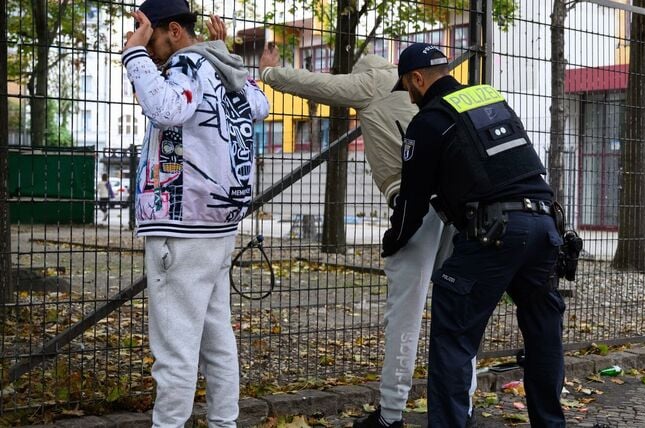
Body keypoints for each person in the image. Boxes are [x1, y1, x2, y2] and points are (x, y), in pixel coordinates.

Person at [255, 42, 473, 428]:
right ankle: (462, 410)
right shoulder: (437, 88)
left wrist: (270, 73)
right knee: (457, 313)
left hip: (415, 208)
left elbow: (317, 84)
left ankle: (391, 415)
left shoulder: (372, 82)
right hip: (461, 206)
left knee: (404, 315)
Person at [382, 43, 566, 427]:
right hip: (547, 225)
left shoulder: (429, 120)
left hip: (495, 233)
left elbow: (412, 202)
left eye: (408, 88)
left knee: (453, 338)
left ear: (416, 80)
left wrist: (393, 242)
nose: (411, 98)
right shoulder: (489, 99)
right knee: (543, 335)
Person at [123, 1, 269, 426]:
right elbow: (259, 104)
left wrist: (134, 57)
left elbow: (168, 109)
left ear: (172, 31)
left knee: (175, 352)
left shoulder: (186, 65)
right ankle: (225, 423)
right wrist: (223, 52)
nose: (141, 44)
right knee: (217, 340)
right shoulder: (220, 70)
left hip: (180, 226)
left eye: (145, 34)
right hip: (218, 225)